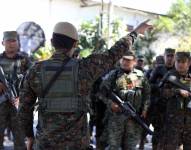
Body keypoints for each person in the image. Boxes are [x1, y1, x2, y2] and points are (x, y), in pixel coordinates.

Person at [18, 21, 152, 150]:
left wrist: (29, 136)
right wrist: (135, 33)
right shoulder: (85, 68)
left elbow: (24, 109)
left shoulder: (35, 71)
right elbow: (114, 53)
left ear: (52, 42)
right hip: (77, 144)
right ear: (75, 44)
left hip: (46, 143)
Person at [99, 51, 150, 150]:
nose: (125, 62)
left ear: (134, 61)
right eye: (124, 59)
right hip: (115, 119)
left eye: (129, 60)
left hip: (133, 119)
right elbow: (101, 93)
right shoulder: (113, 75)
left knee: (130, 147)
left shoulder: (141, 76)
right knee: (113, 147)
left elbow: (147, 94)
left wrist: (145, 109)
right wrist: (111, 103)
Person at [0, 31, 31, 150]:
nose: (11, 44)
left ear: (18, 43)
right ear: (3, 43)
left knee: (20, 140)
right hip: (1, 106)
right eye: (8, 41)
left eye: (14, 41)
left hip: (19, 105)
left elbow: (34, 81)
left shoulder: (25, 61)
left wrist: (22, 96)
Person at [159, 52, 191, 150]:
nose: (180, 64)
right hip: (173, 120)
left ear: (189, 63)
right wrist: (177, 91)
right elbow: (161, 92)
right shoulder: (170, 76)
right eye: (178, 61)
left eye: (183, 62)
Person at [149, 48, 175, 149]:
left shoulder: (177, 69)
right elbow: (149, 84)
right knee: (158, 131)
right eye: (168, 56)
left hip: (173, 106)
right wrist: (160, 88)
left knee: (171, 132)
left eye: (172, 56)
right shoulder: (159, 69)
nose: (170, 58)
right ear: (164, 56)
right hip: (159, 105)